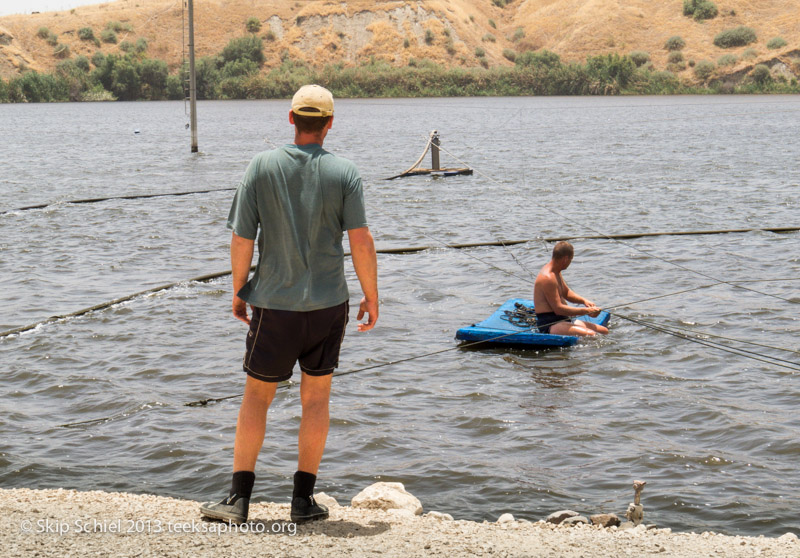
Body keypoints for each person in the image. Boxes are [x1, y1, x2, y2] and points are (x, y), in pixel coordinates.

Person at [200, 85, 379, 525]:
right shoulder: (346, 173)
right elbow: (361, 240)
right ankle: (302, 501)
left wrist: (239, 289)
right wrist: (372, 295)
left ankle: (238, 500)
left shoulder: (262, 166)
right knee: (316, 400)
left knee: (256, 398)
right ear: (330, 124)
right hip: (328, 306)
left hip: (274, 307)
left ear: (290, 118)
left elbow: (242, 238)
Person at [533, 241, 607, 336]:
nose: (570, 263)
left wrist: (584, 301)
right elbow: (558, 309)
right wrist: (586, 311)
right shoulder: (548, 278)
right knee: (592, 335)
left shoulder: (556, 272)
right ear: (565, 259)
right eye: (571, 260)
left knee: (604, 331)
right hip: (551, 324)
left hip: (564, 319)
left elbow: (566, 292)